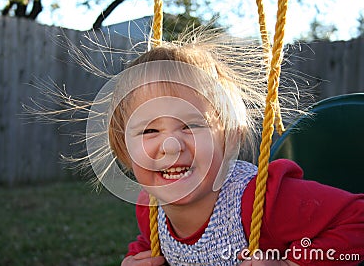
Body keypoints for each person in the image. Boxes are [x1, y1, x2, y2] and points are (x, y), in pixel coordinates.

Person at [84, 30, 364, 265]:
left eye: (191, 126)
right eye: (150, 130)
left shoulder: (261, 199)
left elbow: (358, 218)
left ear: (230, 136)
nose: (170, 146)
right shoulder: (150, 206)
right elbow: (150, 244)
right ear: (124, 148)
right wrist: (136, 257)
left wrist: (291, 263)